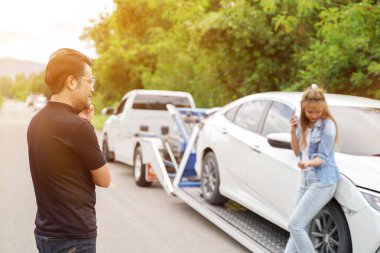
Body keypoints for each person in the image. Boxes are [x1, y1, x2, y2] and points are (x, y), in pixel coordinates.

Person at [27, 48, 111, 253]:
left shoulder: (37, 121)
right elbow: (104, 179)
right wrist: (87, 126)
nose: (92, 89)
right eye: (90, 82)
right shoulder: (78, 128)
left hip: (46, 233)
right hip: (73, 237)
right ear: (71, 82)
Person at [284, 84, 340, 253]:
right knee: (298, 227)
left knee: (295, 225)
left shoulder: (327, 126)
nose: (314, 115)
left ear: (323, 108)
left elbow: (321, 159)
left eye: (318, 112)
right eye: (310, 112)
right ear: (304, 109)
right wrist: (293, 131)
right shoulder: (303, 125)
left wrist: (307, 164)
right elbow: (296, 151)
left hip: (322, 181)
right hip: (306, 179)